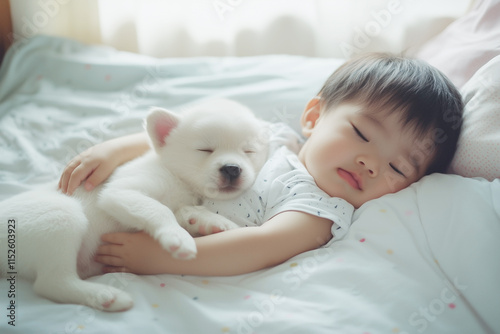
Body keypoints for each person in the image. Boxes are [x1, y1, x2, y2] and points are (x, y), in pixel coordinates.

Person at [58, 53, 463, 277]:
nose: (370, 163)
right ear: (313, 117)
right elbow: (193, 136)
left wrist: (157, 258)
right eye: (361, 133)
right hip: (140, 206)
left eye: (398, 168)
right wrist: (116, 149)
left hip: (158, 243)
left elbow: (258, 249)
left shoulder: (318, 210)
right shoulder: (276, 140)